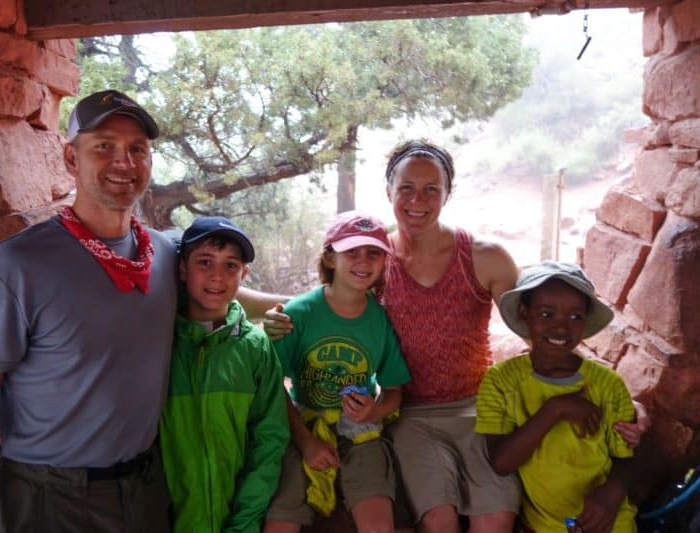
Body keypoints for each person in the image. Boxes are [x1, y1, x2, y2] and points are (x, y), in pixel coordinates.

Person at [266, 139, 648, 533]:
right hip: (409, 411)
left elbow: (546, 333)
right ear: (389, 192)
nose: (418, 199)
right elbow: (333, 302)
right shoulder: (377, 261)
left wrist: (617, 392)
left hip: (478, 407)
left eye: (432, 188)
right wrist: (279, 316)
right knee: (438, 520)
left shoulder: (484, 257)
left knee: (496, 519)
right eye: (406, 188)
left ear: (448, 193)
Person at [0, 89, 176, 532]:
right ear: (70, 158)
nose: (125, 162)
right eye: (104, 145)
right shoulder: (12, 269)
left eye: (137, 149)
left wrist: (296, 306)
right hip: (45, 500)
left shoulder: (162, 255)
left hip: (144, 492)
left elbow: (224, 290)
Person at [264, 211, 412, 533]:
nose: (363, 260)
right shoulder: (298, 314)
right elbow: (273, 387)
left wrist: (376, 409)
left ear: (385, 261)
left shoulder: (381, 321)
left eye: (374, 252)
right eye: (351, 251)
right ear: (330, 258)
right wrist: (305, 443)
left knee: (378, 523)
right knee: (281, 518)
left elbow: (394, 390)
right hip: (302, 423)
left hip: (361, 430)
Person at [476, 261, 637, 533]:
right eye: (547, 314)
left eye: (575, 317)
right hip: (544, 526)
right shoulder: (501, 380)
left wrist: (612, 494)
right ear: (525, 315)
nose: (561, 328)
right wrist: (556, 408)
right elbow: (502, 462)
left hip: (607, 522)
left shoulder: (607, 383)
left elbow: (627, 458)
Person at [158, 216, 289, 532]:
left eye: (231, 265)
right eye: (205, 262)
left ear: (244, 274)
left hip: (238, 521)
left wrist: (244, 521)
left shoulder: (254, 347)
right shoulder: (160, 343)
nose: (217, 275)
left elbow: (269, 439)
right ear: (182, 269)